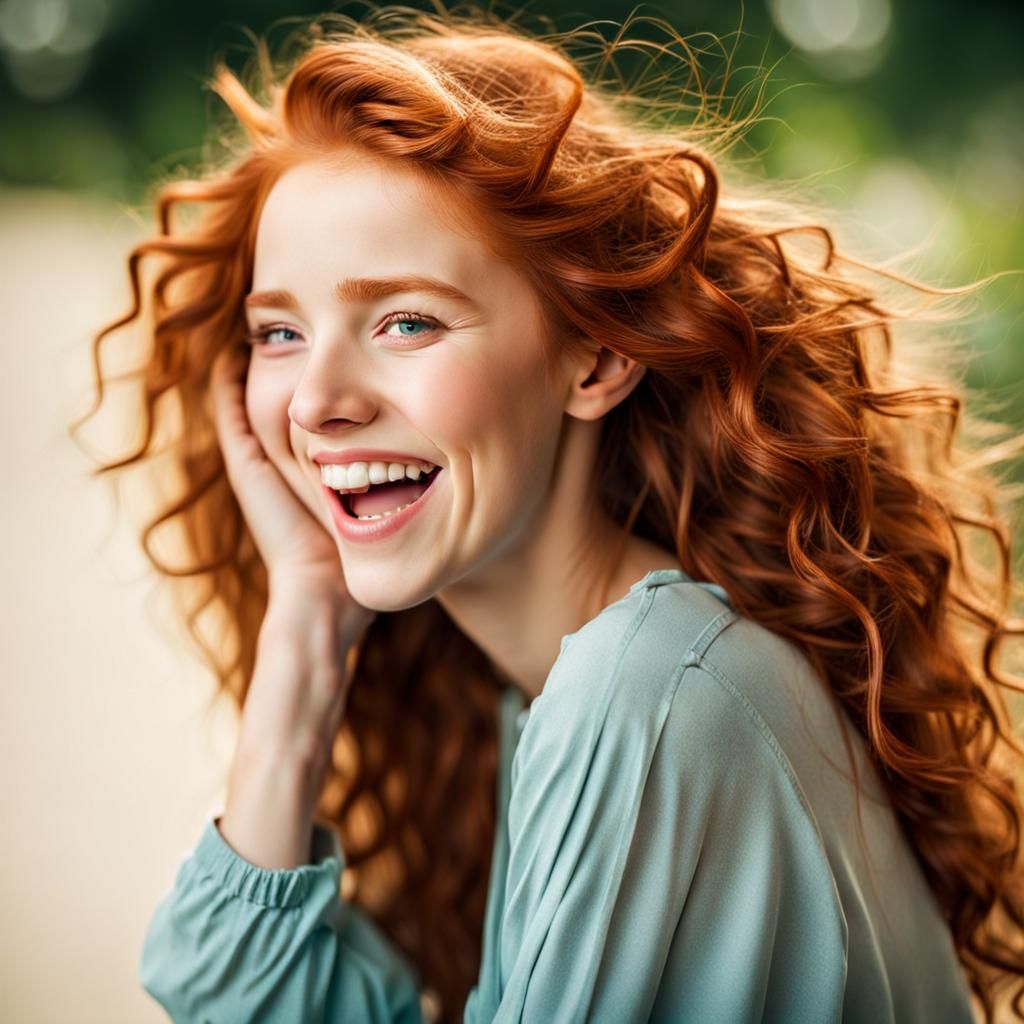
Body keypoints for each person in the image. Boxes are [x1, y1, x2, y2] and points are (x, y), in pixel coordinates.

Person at [73, 6, 1024, 1023]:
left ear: (598, 356)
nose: (315, 403)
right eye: (279, 332)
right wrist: (304, 632)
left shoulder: (643, 692)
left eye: (406, 321)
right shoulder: (576, 693)